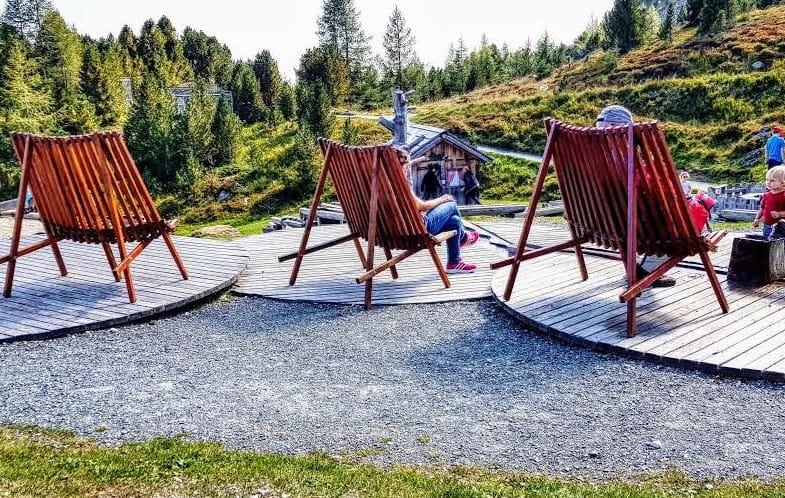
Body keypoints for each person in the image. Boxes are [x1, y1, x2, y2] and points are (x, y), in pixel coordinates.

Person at [595, 104, 676, 287]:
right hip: (630, 226)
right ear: (620, 128)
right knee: (685, 224)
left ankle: (639, 270)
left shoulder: (591, 156)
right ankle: (645, 273)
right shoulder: (625, 161)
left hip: (598, 221)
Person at [396, 147, 479, 273]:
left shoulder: (378, 185)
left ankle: (454, 262)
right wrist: (443, 199)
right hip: (419, 229)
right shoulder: (399, 185)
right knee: (451, 203)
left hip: (396, 231)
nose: (407, 169)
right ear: (401, 166)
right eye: (406, 166)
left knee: (455, 221)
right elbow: (423, 206)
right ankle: (464, 238)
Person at [753, 165, 785, 239]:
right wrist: (757, 218)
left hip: (781, 228)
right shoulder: (766, 195)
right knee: (767, 242)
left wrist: (779, 214)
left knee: (779, 245)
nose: (768, 182)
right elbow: (762, 208)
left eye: (772, 180)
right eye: (767, 180)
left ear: (783, 182)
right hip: (767, 225)